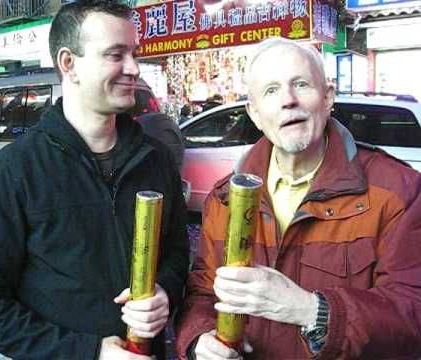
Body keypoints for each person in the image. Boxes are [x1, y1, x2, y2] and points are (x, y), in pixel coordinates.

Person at [0, 1, 189, 359]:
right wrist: (89, 352)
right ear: (69, 63)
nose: (134, 68)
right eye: (116, 55)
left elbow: (176, 253)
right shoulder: (15, 171)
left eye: (135, 53)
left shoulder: (154, 159)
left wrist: (165, 291)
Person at [175, 37, 421, 359]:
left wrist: (310, 310)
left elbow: (411, 314)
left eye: (301, 84)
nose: (288, 100)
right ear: (254, 113)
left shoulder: (397, 191)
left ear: (328, 97)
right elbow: (203, 293)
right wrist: (200, 339)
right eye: (271, 91)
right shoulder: (225, 199)